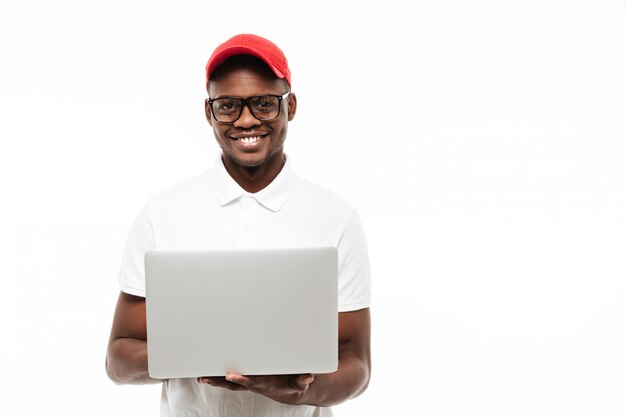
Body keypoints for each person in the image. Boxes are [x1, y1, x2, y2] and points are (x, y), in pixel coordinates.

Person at [106, 33, 372, 417]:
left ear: (290, 106)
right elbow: (118, 359)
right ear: (208, 112)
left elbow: (357, 365)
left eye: (264, 104)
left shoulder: (335, 217)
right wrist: (192, 354)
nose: (246, 120)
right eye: (228, 105)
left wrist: (296, 392)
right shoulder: (163, 212)